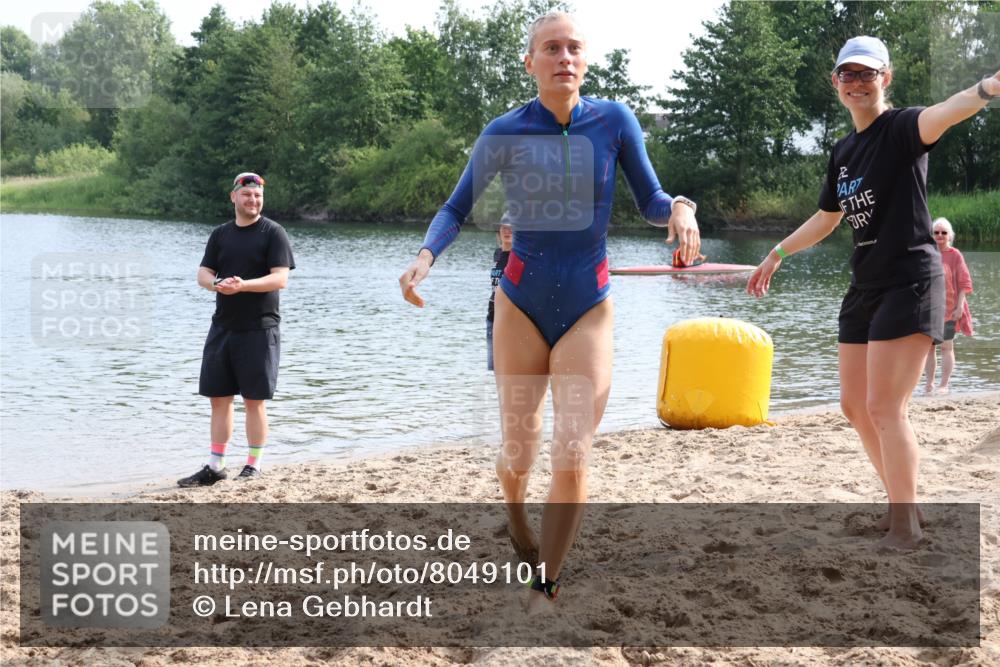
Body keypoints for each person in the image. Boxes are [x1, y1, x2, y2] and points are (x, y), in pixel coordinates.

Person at [398, 11, 699, 607]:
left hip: (588, 306)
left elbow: (650, 200)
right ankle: (514, 509)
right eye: (552, 48)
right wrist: (426, 257)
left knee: (574, 448)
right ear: (530, 61)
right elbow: (456, 208)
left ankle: (548, 582)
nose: (564, 57)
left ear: (586, 61)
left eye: (574, 49)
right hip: (519, 303)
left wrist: (681, 208)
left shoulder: (614, 121)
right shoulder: (505, 130)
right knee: (521, 448)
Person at [747, 35, 999, 549]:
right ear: (835, 82)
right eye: (848, 75)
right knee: (854, 407)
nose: (857, 83)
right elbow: (826, 218)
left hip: (910, 280)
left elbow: (947, 112)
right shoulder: (843, 151)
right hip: (864, 285)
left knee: (885, 407)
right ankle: (901, 506)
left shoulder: (902, 128)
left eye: (868, 74)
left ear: (885, 78)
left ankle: (906, 526)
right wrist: (778, 253)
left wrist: (987, 87)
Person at [179, 172, 296, 487]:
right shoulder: (220, 234)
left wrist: (243, 286)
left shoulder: (274, 233)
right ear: (234, 197)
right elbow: (204, 272)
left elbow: (280, 278)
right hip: (223, 328)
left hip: (260, 328)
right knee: (219, 398)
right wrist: (216, 284)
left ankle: (254, 464)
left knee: (255, 400)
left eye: (257, 196)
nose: (253, 200)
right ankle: (216, 465)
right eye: (247, 195)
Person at [922, 217, 974, 395]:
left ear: (949, 236)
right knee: (929, 349)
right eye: (936, 232)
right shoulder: (926, 253)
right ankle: (929, 385)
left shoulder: (955, 255)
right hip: (928, 310)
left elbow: (964, 283)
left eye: (943, 232)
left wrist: (959, 307)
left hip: (950, 309)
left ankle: (944, 385)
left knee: (946, 346)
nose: (939, 235)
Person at [487, 222, 513, 371]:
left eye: (511, 228)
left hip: (510, 315)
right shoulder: (497, 254)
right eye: (503, 227)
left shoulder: (519, 256)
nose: (507, 231)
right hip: (493, 313)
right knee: (496, 366)